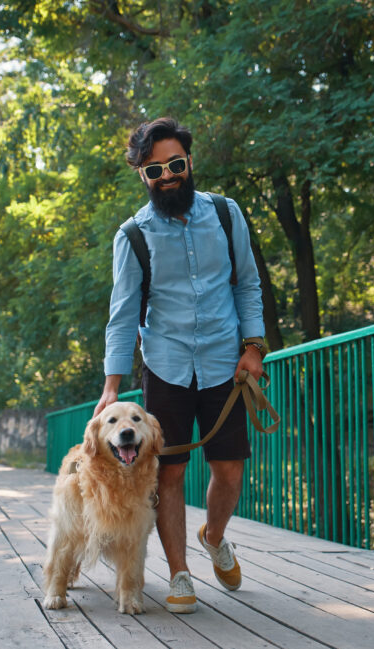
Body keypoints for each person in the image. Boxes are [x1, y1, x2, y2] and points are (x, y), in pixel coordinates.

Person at [93, 117, 266, 613]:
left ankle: (214, 536)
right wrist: (112, 386)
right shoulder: (132, 236)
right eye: (154, 170)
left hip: (225, 365)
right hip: (166, 366)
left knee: (229, 471)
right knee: (168, 476)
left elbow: (247, 285)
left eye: (174, 164)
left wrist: (253, 347)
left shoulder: (227, 214)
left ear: (189, 162)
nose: (166, 176)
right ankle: (179, 573)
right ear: (142, 176)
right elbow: (122, 315)